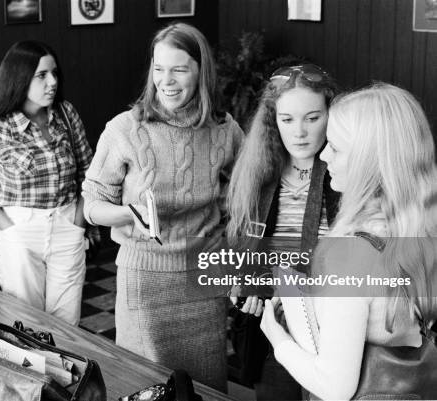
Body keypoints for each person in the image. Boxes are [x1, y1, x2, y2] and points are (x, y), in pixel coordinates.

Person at [82, 23, 244, 391]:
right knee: (147, 387)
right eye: (158, 69)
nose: (166, 81)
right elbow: (91, 204)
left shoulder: (225, 129)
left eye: (179, 69)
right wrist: (127, 215)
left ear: (201, 71)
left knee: (206, 386)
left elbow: (246, 197)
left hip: (205, 280)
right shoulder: (125, 129)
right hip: (146, 280)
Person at [260, 83, 437, 400]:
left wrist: (277, 338)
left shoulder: (351, 255)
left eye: (337, 148)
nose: (324, 155)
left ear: (372, 162)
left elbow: (334, 388)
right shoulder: (421, 229)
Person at [225, 64, 339, 399]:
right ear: (273, 122)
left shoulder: (344, 172)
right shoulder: (259, 174)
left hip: (334, 329)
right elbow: (243, 247)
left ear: (332, 115)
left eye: (313, 118)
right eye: (287, 119)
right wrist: (243, 281)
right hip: (275, 333)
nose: (299, 132)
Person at [0, 40, 94, 326]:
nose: (52, 82)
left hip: (67, 224)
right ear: (20, 78)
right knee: (26, 322)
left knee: (67, 321)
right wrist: (8, 229)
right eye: (42, 75)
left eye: (54, 73)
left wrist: (79, 223)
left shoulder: (66, 115)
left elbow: (89, 172)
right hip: (21, 228)